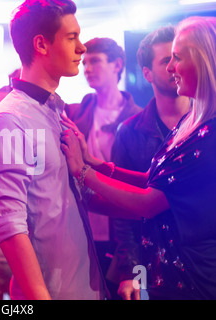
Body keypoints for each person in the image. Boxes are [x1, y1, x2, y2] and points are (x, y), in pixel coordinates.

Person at [61, 16, 216, 300]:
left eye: (177, 58)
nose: (171, 68)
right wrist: (100, 166)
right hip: (167, 272)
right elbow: (155, 181)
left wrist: (84, 173)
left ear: (203, 60)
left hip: (195, 277)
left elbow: (149, 202)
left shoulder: (211, 131)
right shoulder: (191, 121)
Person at [0, 0, 107, 300]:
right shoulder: (9, 119)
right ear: (41, 44)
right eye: (71, 38)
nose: (82, 49)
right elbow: (8, 223)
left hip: (84, 285)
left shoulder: (53, 111)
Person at [107, 25, 190, 300]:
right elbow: (123, 207)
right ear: (147, 73)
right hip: (154, 259)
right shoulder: (130, 132)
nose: (174, 66)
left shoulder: (207, 122)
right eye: (166, 60)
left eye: (178, 57)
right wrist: (130, 271)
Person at [65, 38, 142, 290]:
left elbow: (139, 183)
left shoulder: (139, 120)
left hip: (122, 229)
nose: (87, 68)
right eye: (84, 62)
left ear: (117, 64)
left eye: (95, 61)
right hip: (80, 225)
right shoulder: (77, 113)